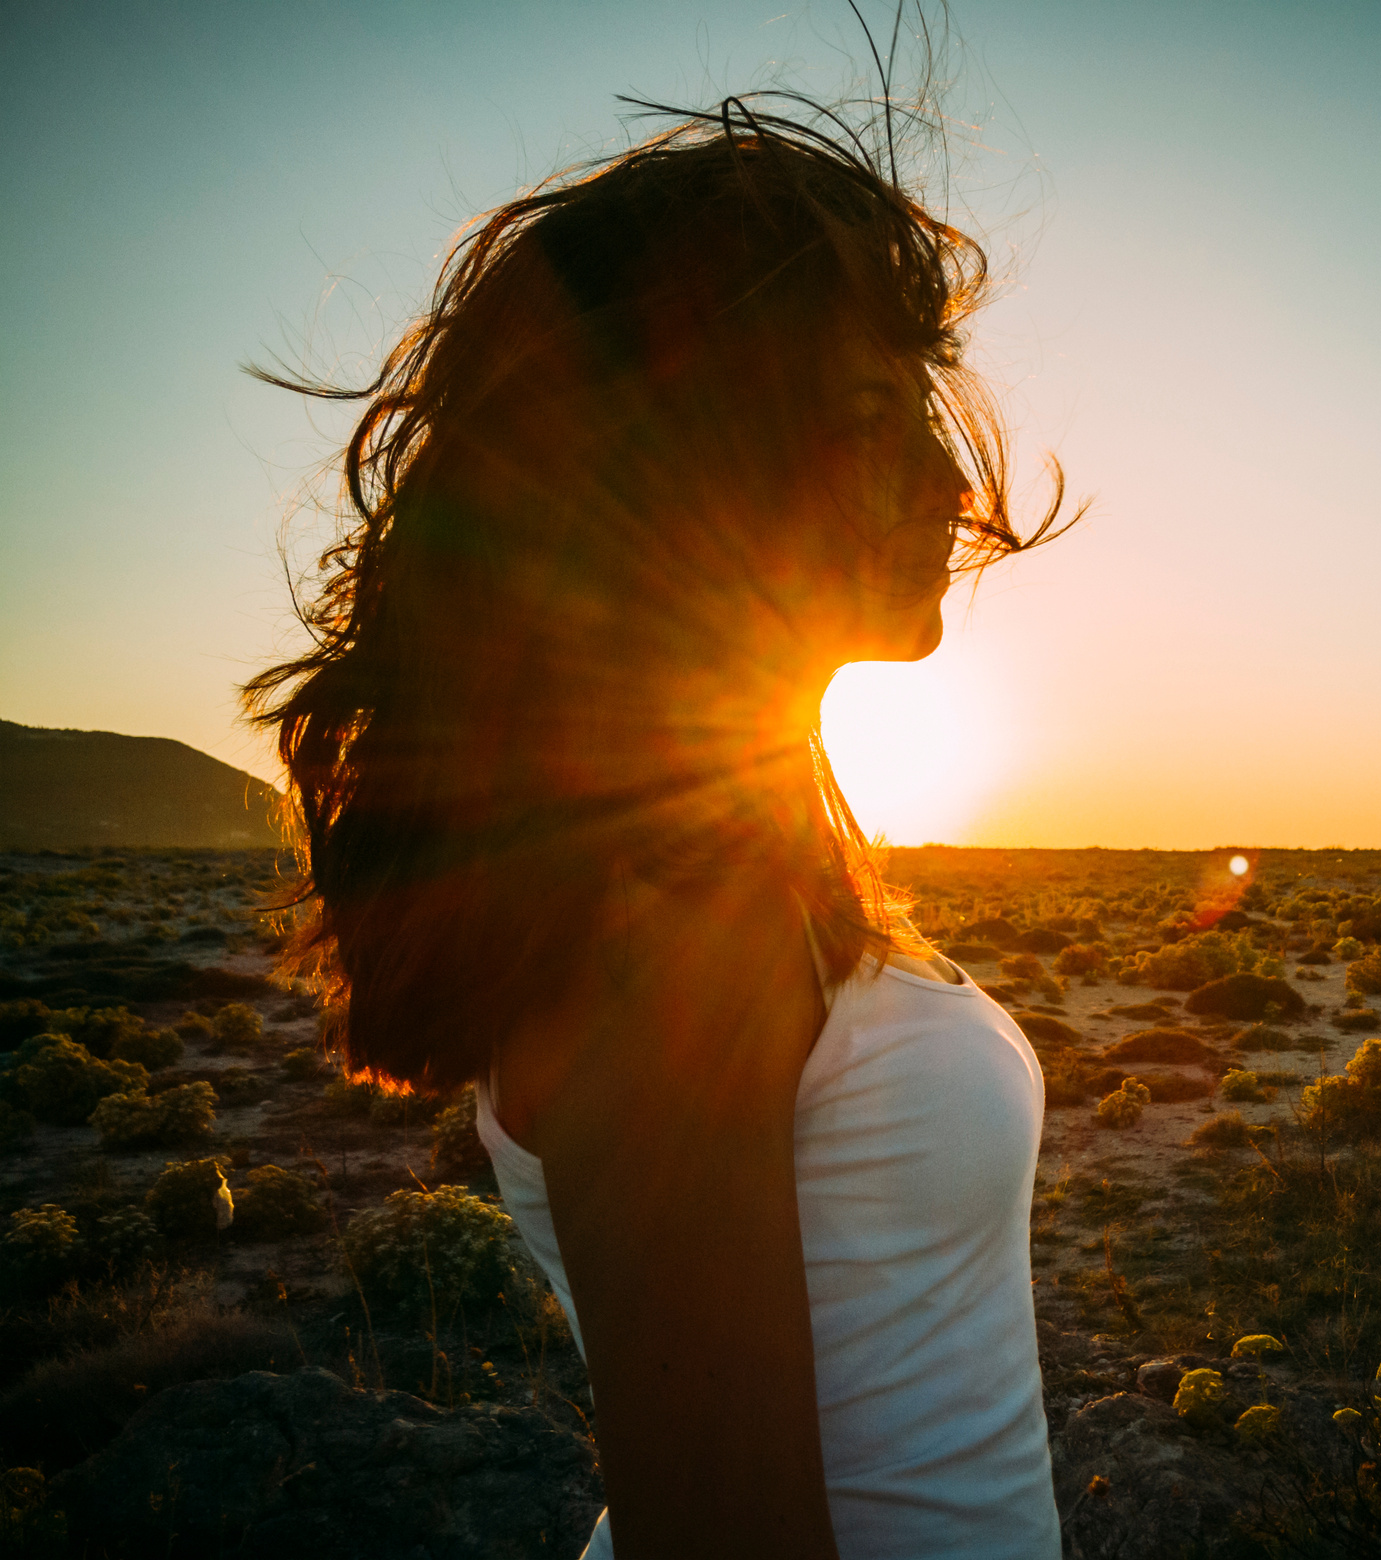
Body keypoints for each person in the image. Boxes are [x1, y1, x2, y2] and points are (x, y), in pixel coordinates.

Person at [244, 99, 1075, 1559]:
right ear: (695, 461)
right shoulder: (673, 914)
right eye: (873, 419)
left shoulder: (739, 848)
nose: (947, 482)